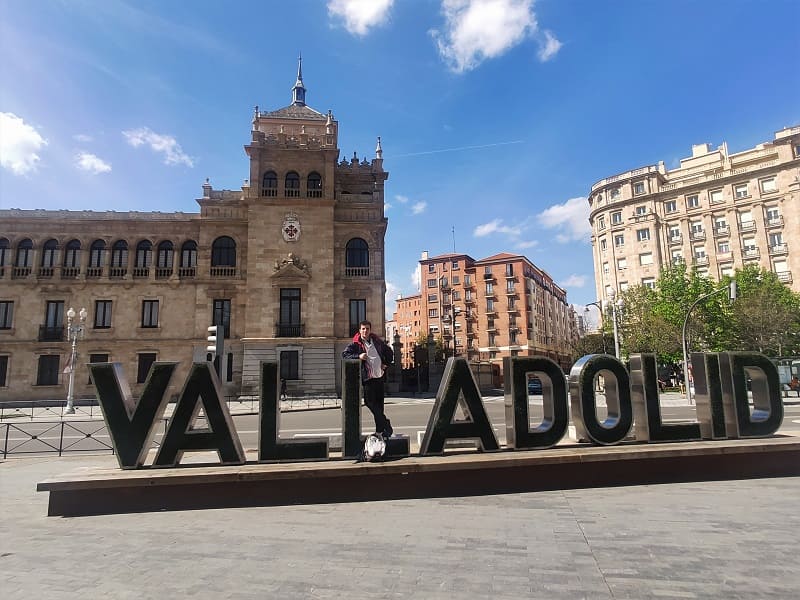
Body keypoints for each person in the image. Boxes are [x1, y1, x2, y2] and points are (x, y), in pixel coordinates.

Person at [342, 320, 394, 438]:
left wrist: (386, 363)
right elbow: (345, 355)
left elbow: (389, 352)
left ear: (370, 330)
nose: (365, 331)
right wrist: (358, 356)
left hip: (379, 377)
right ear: (360, 330)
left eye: (367, 329)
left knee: (379, 406)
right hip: (368, 379)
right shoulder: (355, 344)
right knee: (369, 403)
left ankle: (379, 432)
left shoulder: (377, 342)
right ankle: (386, 424)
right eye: (363, 329)